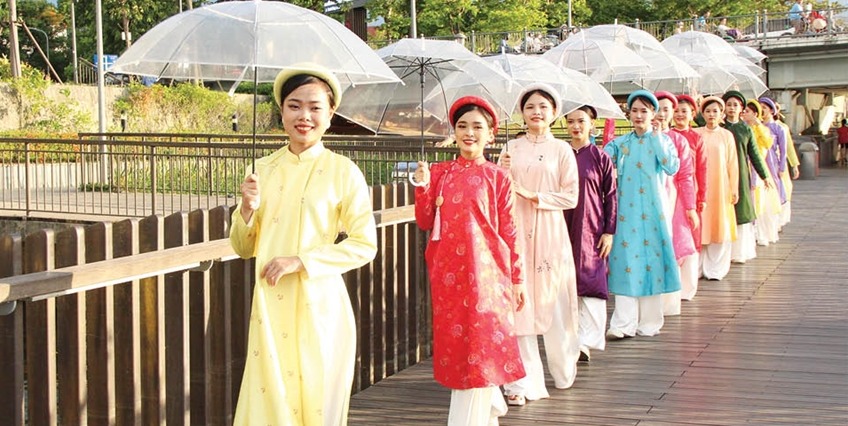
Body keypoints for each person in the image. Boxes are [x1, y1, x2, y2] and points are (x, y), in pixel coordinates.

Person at [230, 65, 379, 425]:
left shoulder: (344, 171)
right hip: (270, 305)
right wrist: (246, 210)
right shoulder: (262, 169)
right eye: (294, 106)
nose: (304, 116)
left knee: (317, 402)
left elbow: (364, 244)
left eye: (315, 107)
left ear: (330, 114)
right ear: (281, 111)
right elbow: (242, 247)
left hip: (320, 305)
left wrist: (301, 261)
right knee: (270, 403)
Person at [413, 96, 527, 425]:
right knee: (458, 344)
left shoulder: (498, 177)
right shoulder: (439, 173)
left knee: (482, 341)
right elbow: (424, 220)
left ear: (491, 134)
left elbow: (510, 231)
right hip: (447, 273)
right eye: (462, 126)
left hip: (489, 275)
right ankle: (489, 406)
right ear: (454, 132)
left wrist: (517, 278)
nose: (469, 133)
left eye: (477, 127)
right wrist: (422, 186)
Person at [499, 84, 580, 404]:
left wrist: (534, 195)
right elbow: (501, 190)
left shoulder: (562, 150)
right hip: (516, 229)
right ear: (522, 112)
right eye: (531, 106)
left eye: (543, 107)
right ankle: (524, 383)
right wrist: (502, 172)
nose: (537, 111)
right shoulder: (511, 147)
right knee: (520, 305)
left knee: (553, 300)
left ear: (554, 113)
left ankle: (563, 369)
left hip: (549, 229)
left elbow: (570, 196)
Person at [604, 90, 681, 339]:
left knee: (652, 261)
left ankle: (649, 322)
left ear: (653, 114)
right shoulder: (620, 143)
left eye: (644, 111)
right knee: (624, 261)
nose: (639, 116)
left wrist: (658, 139)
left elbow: (671, 166)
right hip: (625, 212)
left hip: (655, 210)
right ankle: (622, 323)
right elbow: (601, 162)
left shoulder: (662, 140)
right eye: (634, 110)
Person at [563, 105, 617, 362]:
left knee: (592, 281)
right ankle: (571, 340)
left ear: (592, 124)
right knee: (566, 283)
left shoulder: (600, 157)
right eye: (571, 121)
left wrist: (609, 231)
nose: (576, 126)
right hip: (562, 224)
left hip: (592, 227)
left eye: (581, 121)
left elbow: (611, 196)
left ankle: (587, 340)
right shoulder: (560, 155)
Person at [654, 91, 698, 317]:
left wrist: (690, 207)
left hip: (673, 200)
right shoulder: (641, 138)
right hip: (647, 202)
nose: (661, 114)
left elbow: (686, 175)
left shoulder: (678, 140)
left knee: (674, 246)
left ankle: (670, 301)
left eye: (666, 109)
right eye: (657, 108)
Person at [722, 91, 772, 264]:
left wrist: (764, 175)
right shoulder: (719, 127)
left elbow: (755, 154)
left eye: (735, 105)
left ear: (742, 108)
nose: (731, 108)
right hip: (721, 173)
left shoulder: (745, 129)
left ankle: (739, 252)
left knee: (741, 210)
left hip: (741, 173)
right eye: (728, 105)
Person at [696, 96, 739, 281]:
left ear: (721, 114)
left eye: (715, 111)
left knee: (719, 224)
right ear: (702, 114)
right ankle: (698, 267)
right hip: (701, 185)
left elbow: (733, 164)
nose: (711, 115)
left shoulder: (727, 135)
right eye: (708, 111)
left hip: (721, 186)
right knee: (701, 225)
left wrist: (734, 188)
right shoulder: (696, 133)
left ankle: (716, 268)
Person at [670, 94, 707, 301]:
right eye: (676, 111)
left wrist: (702, 195)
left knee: (691, 239)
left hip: (690, 193)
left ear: (692, 114)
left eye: (684, 111)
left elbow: (701, 169)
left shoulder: (696, 138)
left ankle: (688, 288)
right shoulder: (666, 136)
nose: (679, 115)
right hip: (670, 194)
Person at [741, 100, 782, 246]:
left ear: (755, 114)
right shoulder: (741, 128)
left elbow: (767, 144)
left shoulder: (762, 129)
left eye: (747, 111)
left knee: (759, 201)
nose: (744, 113)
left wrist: (757, 125)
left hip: (757, 168)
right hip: (744, 166)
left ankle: (760, 232)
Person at [758, 97, 789, 230]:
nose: (762, 111)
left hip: (772, 163)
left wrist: (782, 167)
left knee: (775, 189)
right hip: (759, 163)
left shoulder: (778, 128)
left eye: (764, 108)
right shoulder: (756, 127)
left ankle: (777, 221)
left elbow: (783, 150)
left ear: (771, 110)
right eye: (760, 108)